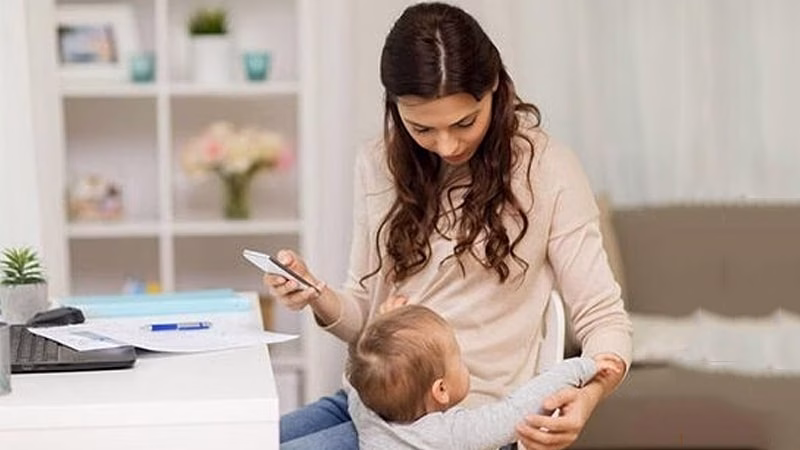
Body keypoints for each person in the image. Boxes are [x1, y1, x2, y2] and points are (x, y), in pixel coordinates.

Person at [268, 2, 633, 449]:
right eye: (422, 128)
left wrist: (589, 394)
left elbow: (603, 317)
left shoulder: (546, 169)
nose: (446, 146)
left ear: (494, 88)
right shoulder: (378, 163)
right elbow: (365, 316)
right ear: (395, 107)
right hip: (369, 405)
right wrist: (316, 295)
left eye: (465, 122)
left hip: (461, 424)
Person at [346, 304, 618, 449]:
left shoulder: (366, 413)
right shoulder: (452, 434)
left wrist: (383, 321)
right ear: (441, 390)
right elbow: (516, 411)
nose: (464, 361)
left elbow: (361, 377)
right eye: (458, 358)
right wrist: (580, 367)